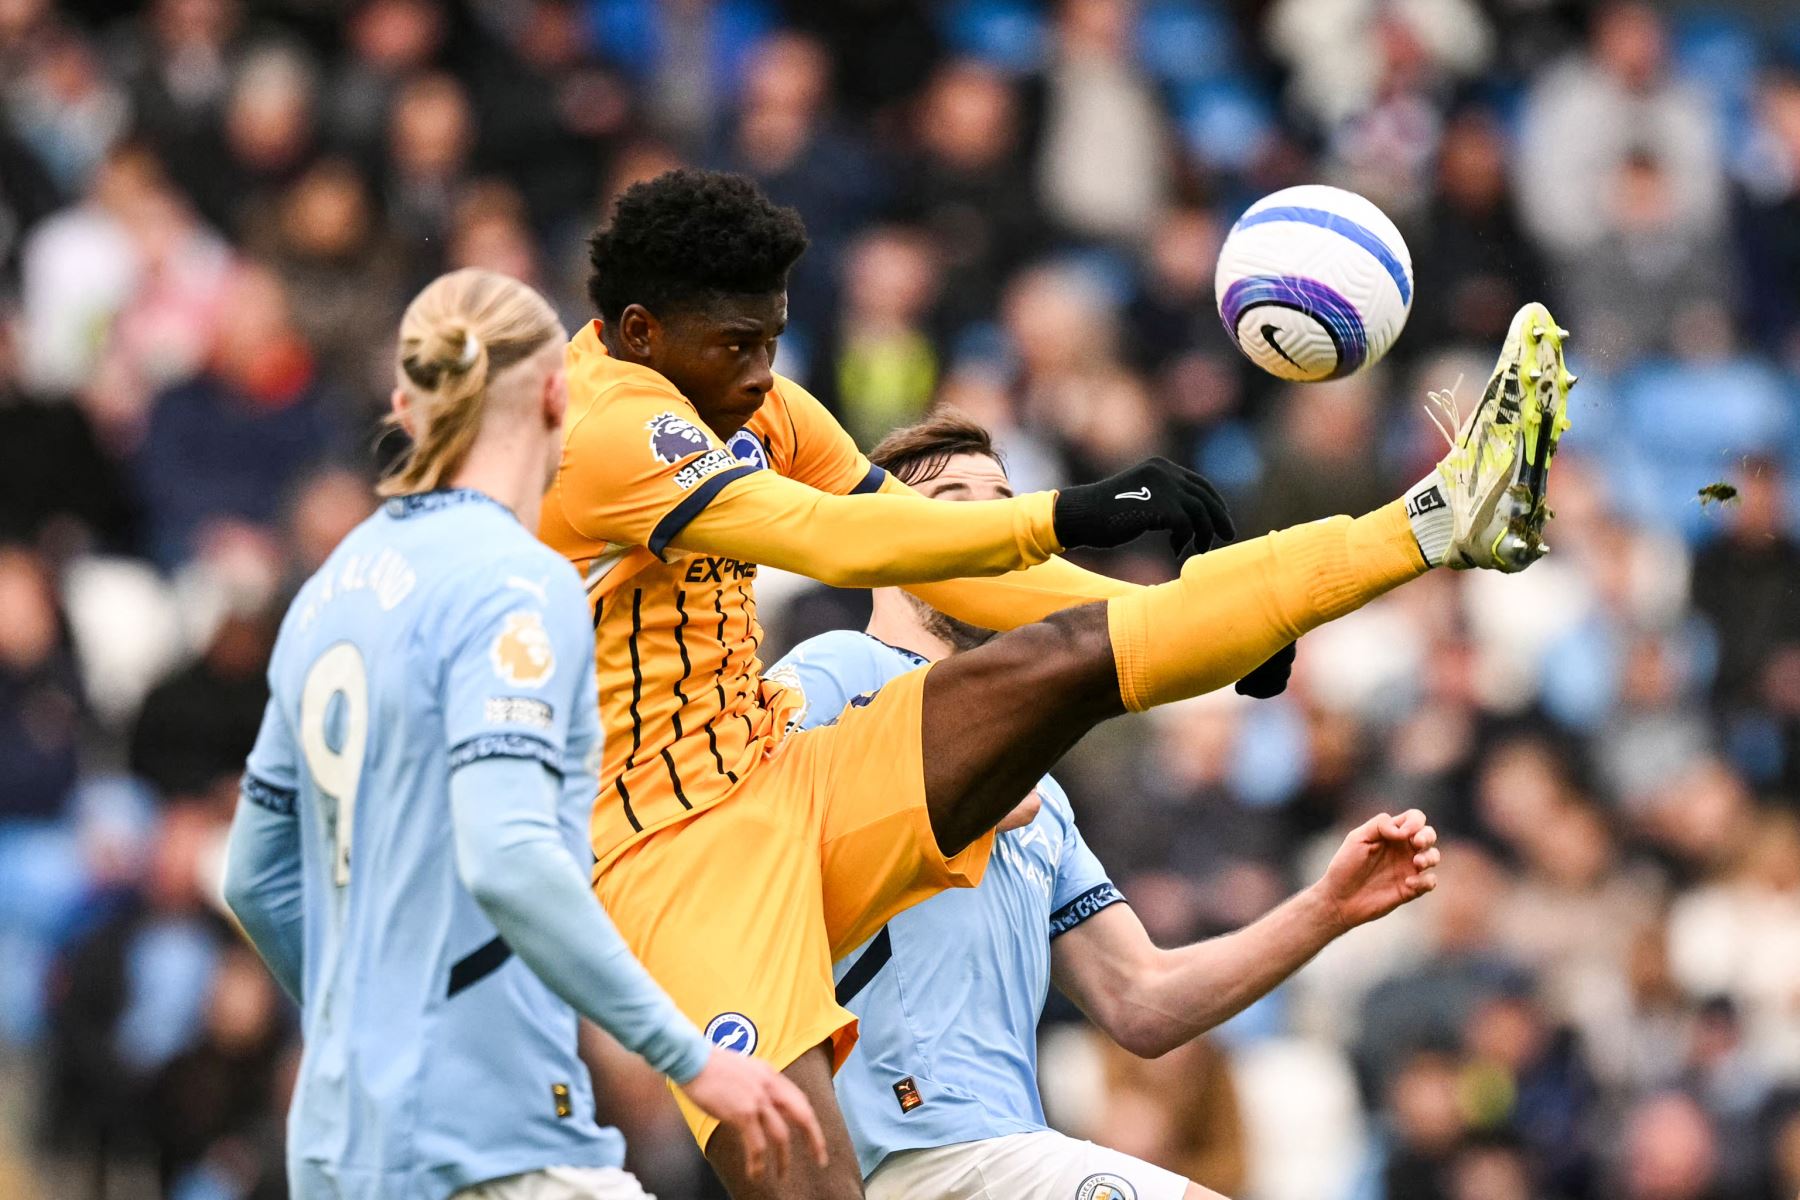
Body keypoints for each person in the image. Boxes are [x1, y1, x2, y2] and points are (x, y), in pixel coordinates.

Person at [538, 167, 1573, 1197]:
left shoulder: (755, 405)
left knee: (1072, 653)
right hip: (673, 852)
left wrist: (1229, 616)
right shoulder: (607, 426)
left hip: (784, 780)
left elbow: (958, 565)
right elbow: (835, 538)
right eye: (737, 346)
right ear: (640, 331)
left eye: (773, 337)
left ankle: (1438, 519)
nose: (765, 373)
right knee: (808, 1183)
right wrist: (1067, 509)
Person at [221, 268, 824, 1200]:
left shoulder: (328, 589)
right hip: (490, 1138)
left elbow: (254, 880)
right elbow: (508, 855)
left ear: (407, 406)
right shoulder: (518, 583)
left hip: (341, 1144)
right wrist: (687, 1057)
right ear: (556, 393)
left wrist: (369, 1034)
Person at [768, 411, 1443, 1200]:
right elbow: (749, 820)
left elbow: (1142, 1001)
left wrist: (1326, 908)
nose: (985, 521)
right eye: (954, 500)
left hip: (995, 1153)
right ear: (890, 542)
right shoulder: (833, 668)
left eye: (1000, 499)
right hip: (910, 1151)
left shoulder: (1042, 794)